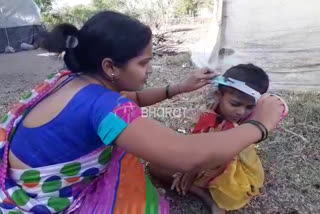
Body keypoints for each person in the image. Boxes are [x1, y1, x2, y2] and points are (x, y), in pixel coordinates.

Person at [0, 11, 284, 214]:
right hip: (47, 199)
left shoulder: (71, 79)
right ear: (111, 67)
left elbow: (132, 97)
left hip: (19, 176)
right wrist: (260, 125)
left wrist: (178, 87)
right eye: (144, 63)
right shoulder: (105, 107)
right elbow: (185, 155)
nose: (150, 70)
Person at [168, 64, 287, 214]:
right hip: (203, 161)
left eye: (250, 107)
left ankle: (207, 196)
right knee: (157, 166)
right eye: (235, 104)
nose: (241, 112)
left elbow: (220, 157)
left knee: (231, 193)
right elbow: (200, 139)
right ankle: (201, 191)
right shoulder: (211, 109)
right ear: (219, 95)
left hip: (229, 170)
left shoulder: (241, 126)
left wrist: (192, 171)